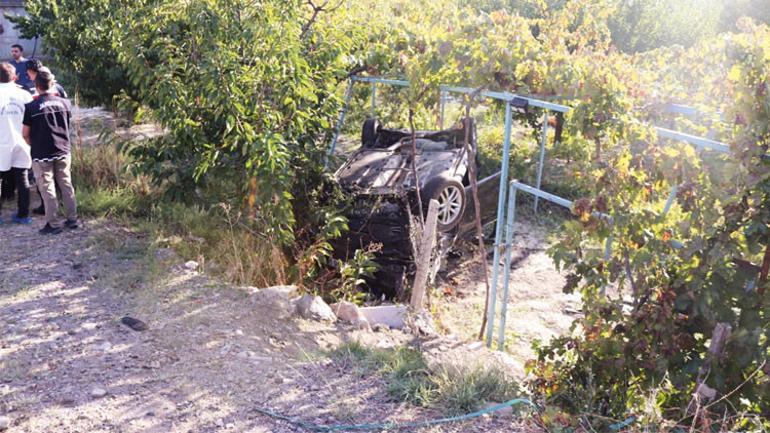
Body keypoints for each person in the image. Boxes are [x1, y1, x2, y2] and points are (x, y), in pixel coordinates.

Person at [22, 71, 78, 234]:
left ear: (36, 86)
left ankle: (53, 223)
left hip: (42, 153)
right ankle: (72, 219)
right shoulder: (65, 103)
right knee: (66, 184)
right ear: (51, 84)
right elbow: (66, 125)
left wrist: (33, 144)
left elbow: (25, 133)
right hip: (63, 150)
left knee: (47, 187)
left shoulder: (31, 107)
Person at [0, 62, 33, 224]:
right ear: (14, 77)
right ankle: (23, 214)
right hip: (22, 141)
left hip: (2, 143)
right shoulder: (25, 95)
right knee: (22, 177)